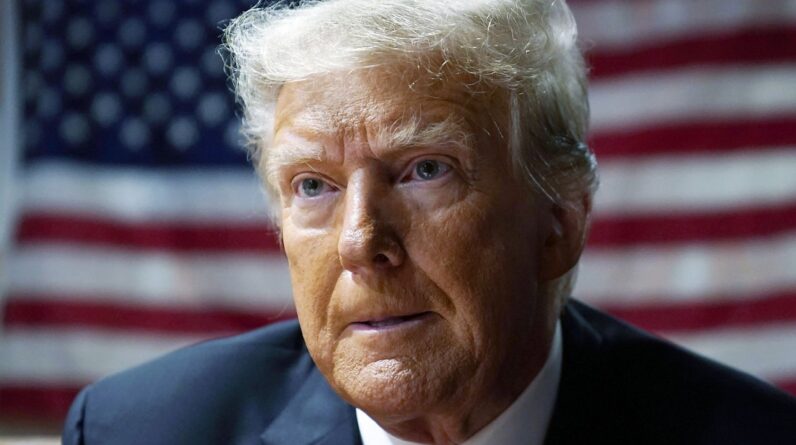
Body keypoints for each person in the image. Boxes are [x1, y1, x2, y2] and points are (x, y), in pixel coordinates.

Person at [63, 0, 796, 444]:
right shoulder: (143, 430)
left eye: (425, 170)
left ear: (560, 220)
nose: (360, 242)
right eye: (313, 184)